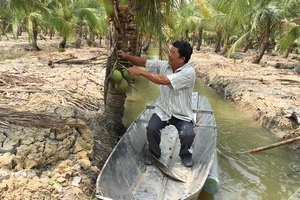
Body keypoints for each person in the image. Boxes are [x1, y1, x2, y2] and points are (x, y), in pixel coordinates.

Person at [118, 40, 196, 167]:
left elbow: (164, 80)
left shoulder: (188, 73)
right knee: (151, 128)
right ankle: (154, 154)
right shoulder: (165, 65)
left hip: (181, 113)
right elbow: (144, 62)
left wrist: (141, 72)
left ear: (182, 58)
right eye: (170, 51)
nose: (169, 54)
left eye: (173, 52)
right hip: (164, 109)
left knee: (188, 134)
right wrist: (126, 56)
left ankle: (185, 154)